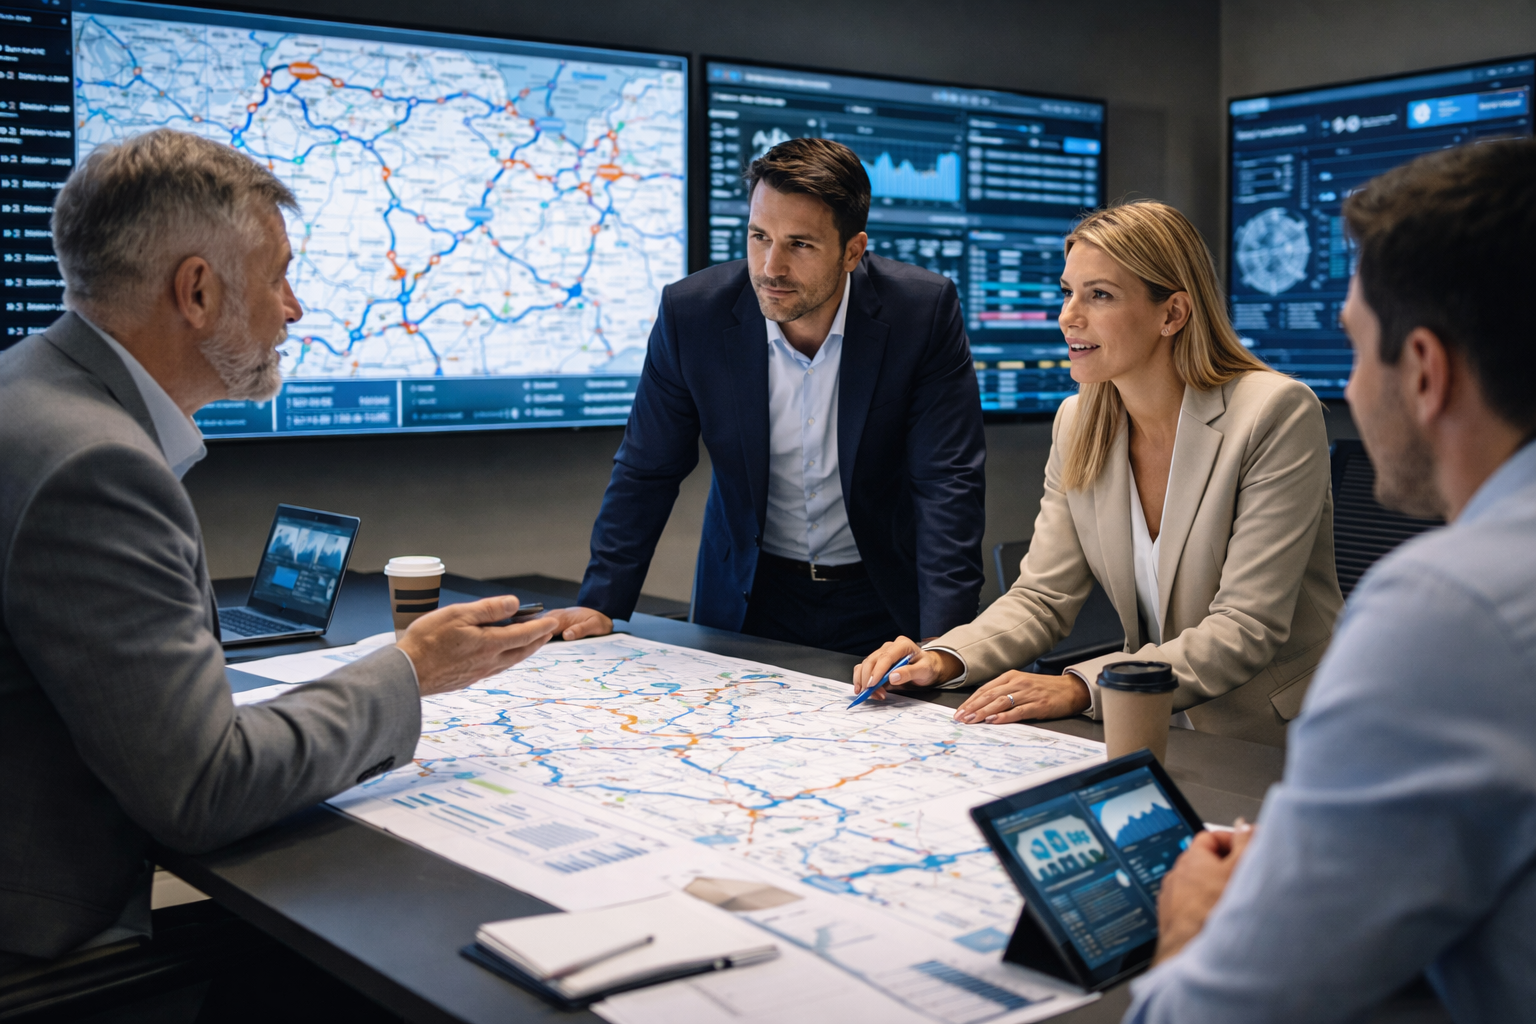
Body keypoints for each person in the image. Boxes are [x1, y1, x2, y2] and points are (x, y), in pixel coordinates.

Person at [0, 129, 560, 966]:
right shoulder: (98, 465)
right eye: (277, 277)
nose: (292, 309)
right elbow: (204, 788)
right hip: (46, 940)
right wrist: (411, 670)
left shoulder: (26, 385)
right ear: (196, 291)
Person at [1125, 138, 1536, 1023]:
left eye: (1353, 344)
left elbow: (1214, 1014)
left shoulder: (1447, 609)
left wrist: (1190, 922)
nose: (1346, 383)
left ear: (1424, 370)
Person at [855, 200, 1341, 746]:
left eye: (1100, 295)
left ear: (1173, 313)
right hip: (1150, 722)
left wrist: (1080, 687)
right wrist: (941, 657)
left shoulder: (1275, 412)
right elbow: (1042, 598)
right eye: (1067, 292)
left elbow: (1245, 626)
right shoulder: (1078, 420)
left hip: (1279, 736)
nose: (1069, 316)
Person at [547, 138, 986, 656]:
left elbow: (948, 482)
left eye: (800, 244)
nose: (771, 267)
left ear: (852, 251)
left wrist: (944, 645)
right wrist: (602, 601)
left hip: (884, 598)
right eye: (759, 236)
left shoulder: (922, 312)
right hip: (750, 595)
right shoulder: (694, 314)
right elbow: (647, 469)